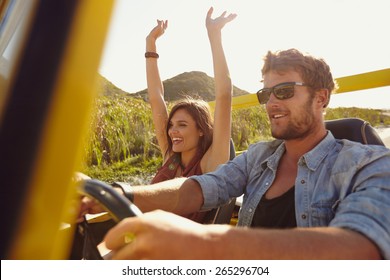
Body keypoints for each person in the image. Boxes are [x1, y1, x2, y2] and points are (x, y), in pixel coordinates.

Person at [95, 48, 390, 259]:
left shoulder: (368, 164)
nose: (271, 103)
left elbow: (363, 247)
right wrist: (121, 193)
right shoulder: (259, 156)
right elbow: (201, 187)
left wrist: (206, 245)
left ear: (321, 97)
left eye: (284, 91)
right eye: (266, 94)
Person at [141, 7, 236, 223]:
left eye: (182, 125)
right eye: (172, 124)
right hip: (141, 232)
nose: (172, 130)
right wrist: (150, 43)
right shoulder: (170, 156)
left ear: (201, 130)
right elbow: (156, 98)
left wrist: (214, 35)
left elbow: (224, 96)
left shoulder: (211, 163)